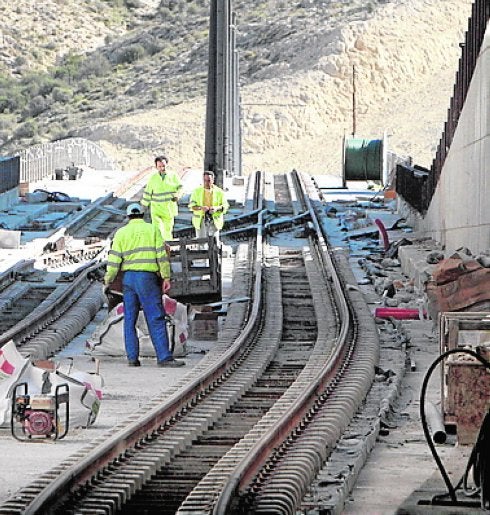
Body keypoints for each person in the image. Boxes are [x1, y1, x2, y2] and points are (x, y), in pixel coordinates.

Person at [103, 202, 185, 367]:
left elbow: (114, 260)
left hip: (129, 280)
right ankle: (164, 358)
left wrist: (108, 279)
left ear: (128, 216)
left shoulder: (121, 233)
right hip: (147, 279)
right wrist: (166, 277)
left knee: (130, 319)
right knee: (155, 317)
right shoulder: (152, 229)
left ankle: (132, 358)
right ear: (143, 215)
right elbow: (161, 256)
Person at [141, 156, 182, 242]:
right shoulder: (153, 178)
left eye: (164, 166)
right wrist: (144, 206)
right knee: (157, 229)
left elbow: (180, 187)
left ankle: (168, 248)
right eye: (159, 166)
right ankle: (159, 247)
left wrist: (178, 195)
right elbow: (148, 192)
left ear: (167, 165)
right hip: (157, 210)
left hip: (169, 209)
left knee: (167, 230)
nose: (162, 168)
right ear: (156, 167)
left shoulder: (173, 176)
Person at [188, 171, 229, 242]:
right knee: (201, 243)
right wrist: (201, 208)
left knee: (214, 243)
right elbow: (191, 206)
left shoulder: (219, 192)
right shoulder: (196, 191)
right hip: (201, 220)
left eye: (209, 180)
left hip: (214, 221)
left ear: (213, 180)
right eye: (205, 180)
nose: (207, 183)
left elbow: (225, 205)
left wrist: (216, 208)